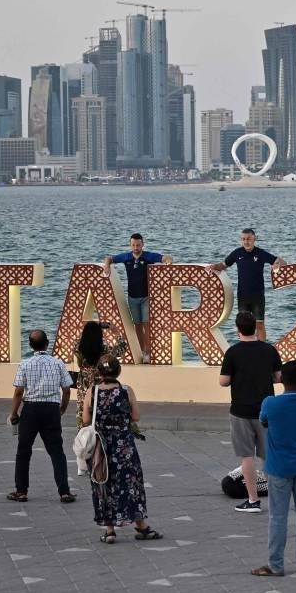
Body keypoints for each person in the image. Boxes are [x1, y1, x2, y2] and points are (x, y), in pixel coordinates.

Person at [82, 356, 162, 543]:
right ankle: (141, 527)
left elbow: (86, 419)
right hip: (124, 446)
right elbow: (135, 416)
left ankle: (109, 530)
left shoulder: (92, 392)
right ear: (118, 371)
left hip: (100, 447)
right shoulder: (126, 391)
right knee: (130, 484)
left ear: (99, 372)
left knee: (103, 484)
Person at [251, 360, 296, 577]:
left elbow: (263, 421)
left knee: (278, 517)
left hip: (278, 467)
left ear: (281, 380)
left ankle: (276, 564)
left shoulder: (270, 403)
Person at [219, 311, 283, 512]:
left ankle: (253, 500)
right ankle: (276, 498)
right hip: (266, 410)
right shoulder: (269, 350)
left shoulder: (233, 352)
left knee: (247, 457)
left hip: (240, 411)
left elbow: (223, 381)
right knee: (268, 457)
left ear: (237, 329)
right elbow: (279, 377)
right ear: (255, 328)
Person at [6, 330, 77, 504]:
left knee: (23, 451)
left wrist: (14, 413)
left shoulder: (25, 364)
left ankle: (21, 491)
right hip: (51, 409)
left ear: (30, 345)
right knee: (56, 452)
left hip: (30, 410)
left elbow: (18, 392)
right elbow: (67, 389)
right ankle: (64, 492)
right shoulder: (58, 363)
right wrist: (62, 409)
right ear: (47, 343)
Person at [103, 233, 172, 363]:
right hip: (132, 297)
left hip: (146, 296)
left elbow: (166, 257)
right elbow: (109, 258)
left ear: (142, 245)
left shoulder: (148, 256)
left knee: (147, 324)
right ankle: (141, 352)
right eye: (133, 245)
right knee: (138, 326)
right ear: (130, 245)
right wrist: (106, 266)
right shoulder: (126, 257)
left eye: (138, 245)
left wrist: (168, 263)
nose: (136, 247)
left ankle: (148, 352)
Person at [208, 228, 285, 342]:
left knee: (259, 325)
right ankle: (245, 348)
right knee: (243, 326)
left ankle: (261, 349)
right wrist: (213, 266)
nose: (246, 241)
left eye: (249, 239)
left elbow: (280, 261)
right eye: (243, 239)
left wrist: (277, 264)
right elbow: (224, 265)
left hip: (257, 296)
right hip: (243, 296)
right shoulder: (237, 253)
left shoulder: (261, 253)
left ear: (255, 239)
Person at [73, 320, 128, 428]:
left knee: (84, 421)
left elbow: (79, 339)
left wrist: (89, 328)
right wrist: (115, 332)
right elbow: (122, 347)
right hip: (101, 389)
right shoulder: (106, 351)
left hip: (84, 390)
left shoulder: (79, 349)